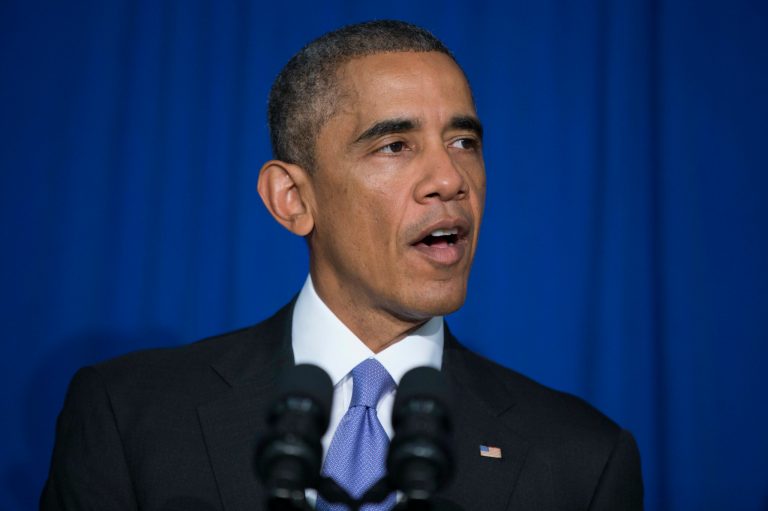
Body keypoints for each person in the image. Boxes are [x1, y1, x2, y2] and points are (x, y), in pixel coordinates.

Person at [41, 20, 643, 511]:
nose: (450, 179)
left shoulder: (582, 457)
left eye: (464, 142)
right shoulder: (129, 414)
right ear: (293, 200)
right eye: (395, 146)